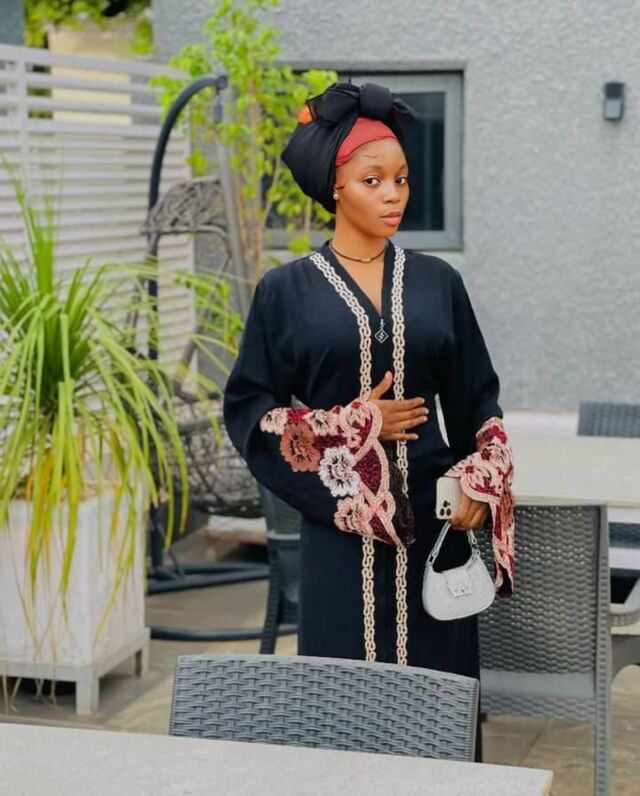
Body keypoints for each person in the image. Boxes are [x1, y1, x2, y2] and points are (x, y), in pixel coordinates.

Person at [223, 81, 515, 761]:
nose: (393, 195)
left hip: (436, 529)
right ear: (335, 187)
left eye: (401, 179)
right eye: (373, 180)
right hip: (339, 535)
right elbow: (250, 411)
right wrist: (355, 424)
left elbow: (479, 399)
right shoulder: (285, 291)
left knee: (442, 707)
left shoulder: (439, 283)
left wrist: (483, 477)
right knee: (343, 715)